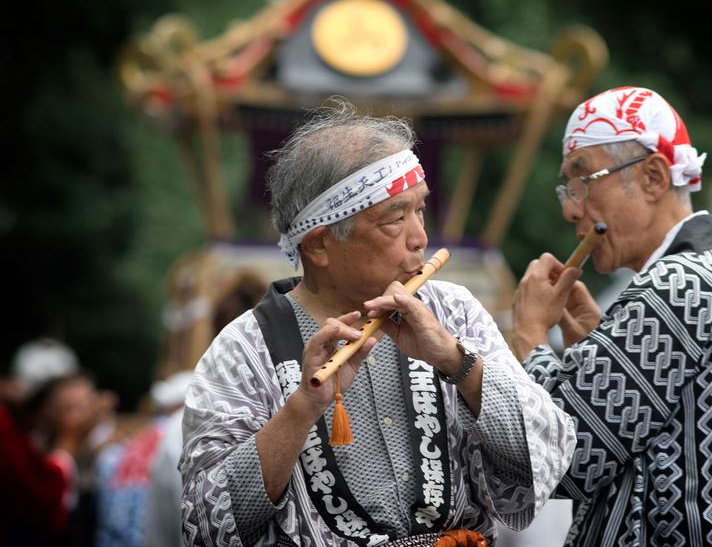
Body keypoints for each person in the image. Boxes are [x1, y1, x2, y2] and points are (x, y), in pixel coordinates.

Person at [180, 100, 575, 546]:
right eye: (395, 218)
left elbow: (550, 452)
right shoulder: (243, 350)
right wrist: (300, 410)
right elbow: (206, 525)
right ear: (320, 245)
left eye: (420, 210)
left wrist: (455, 360)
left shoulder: (454, 311)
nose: (420, 238)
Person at [511, 86, 712, 546]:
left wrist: (528, 336)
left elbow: (563, 459)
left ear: (653, 177)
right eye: (567, 187)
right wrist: (595, 350)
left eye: (583, 180)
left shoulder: (673, 287)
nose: (570, 208)